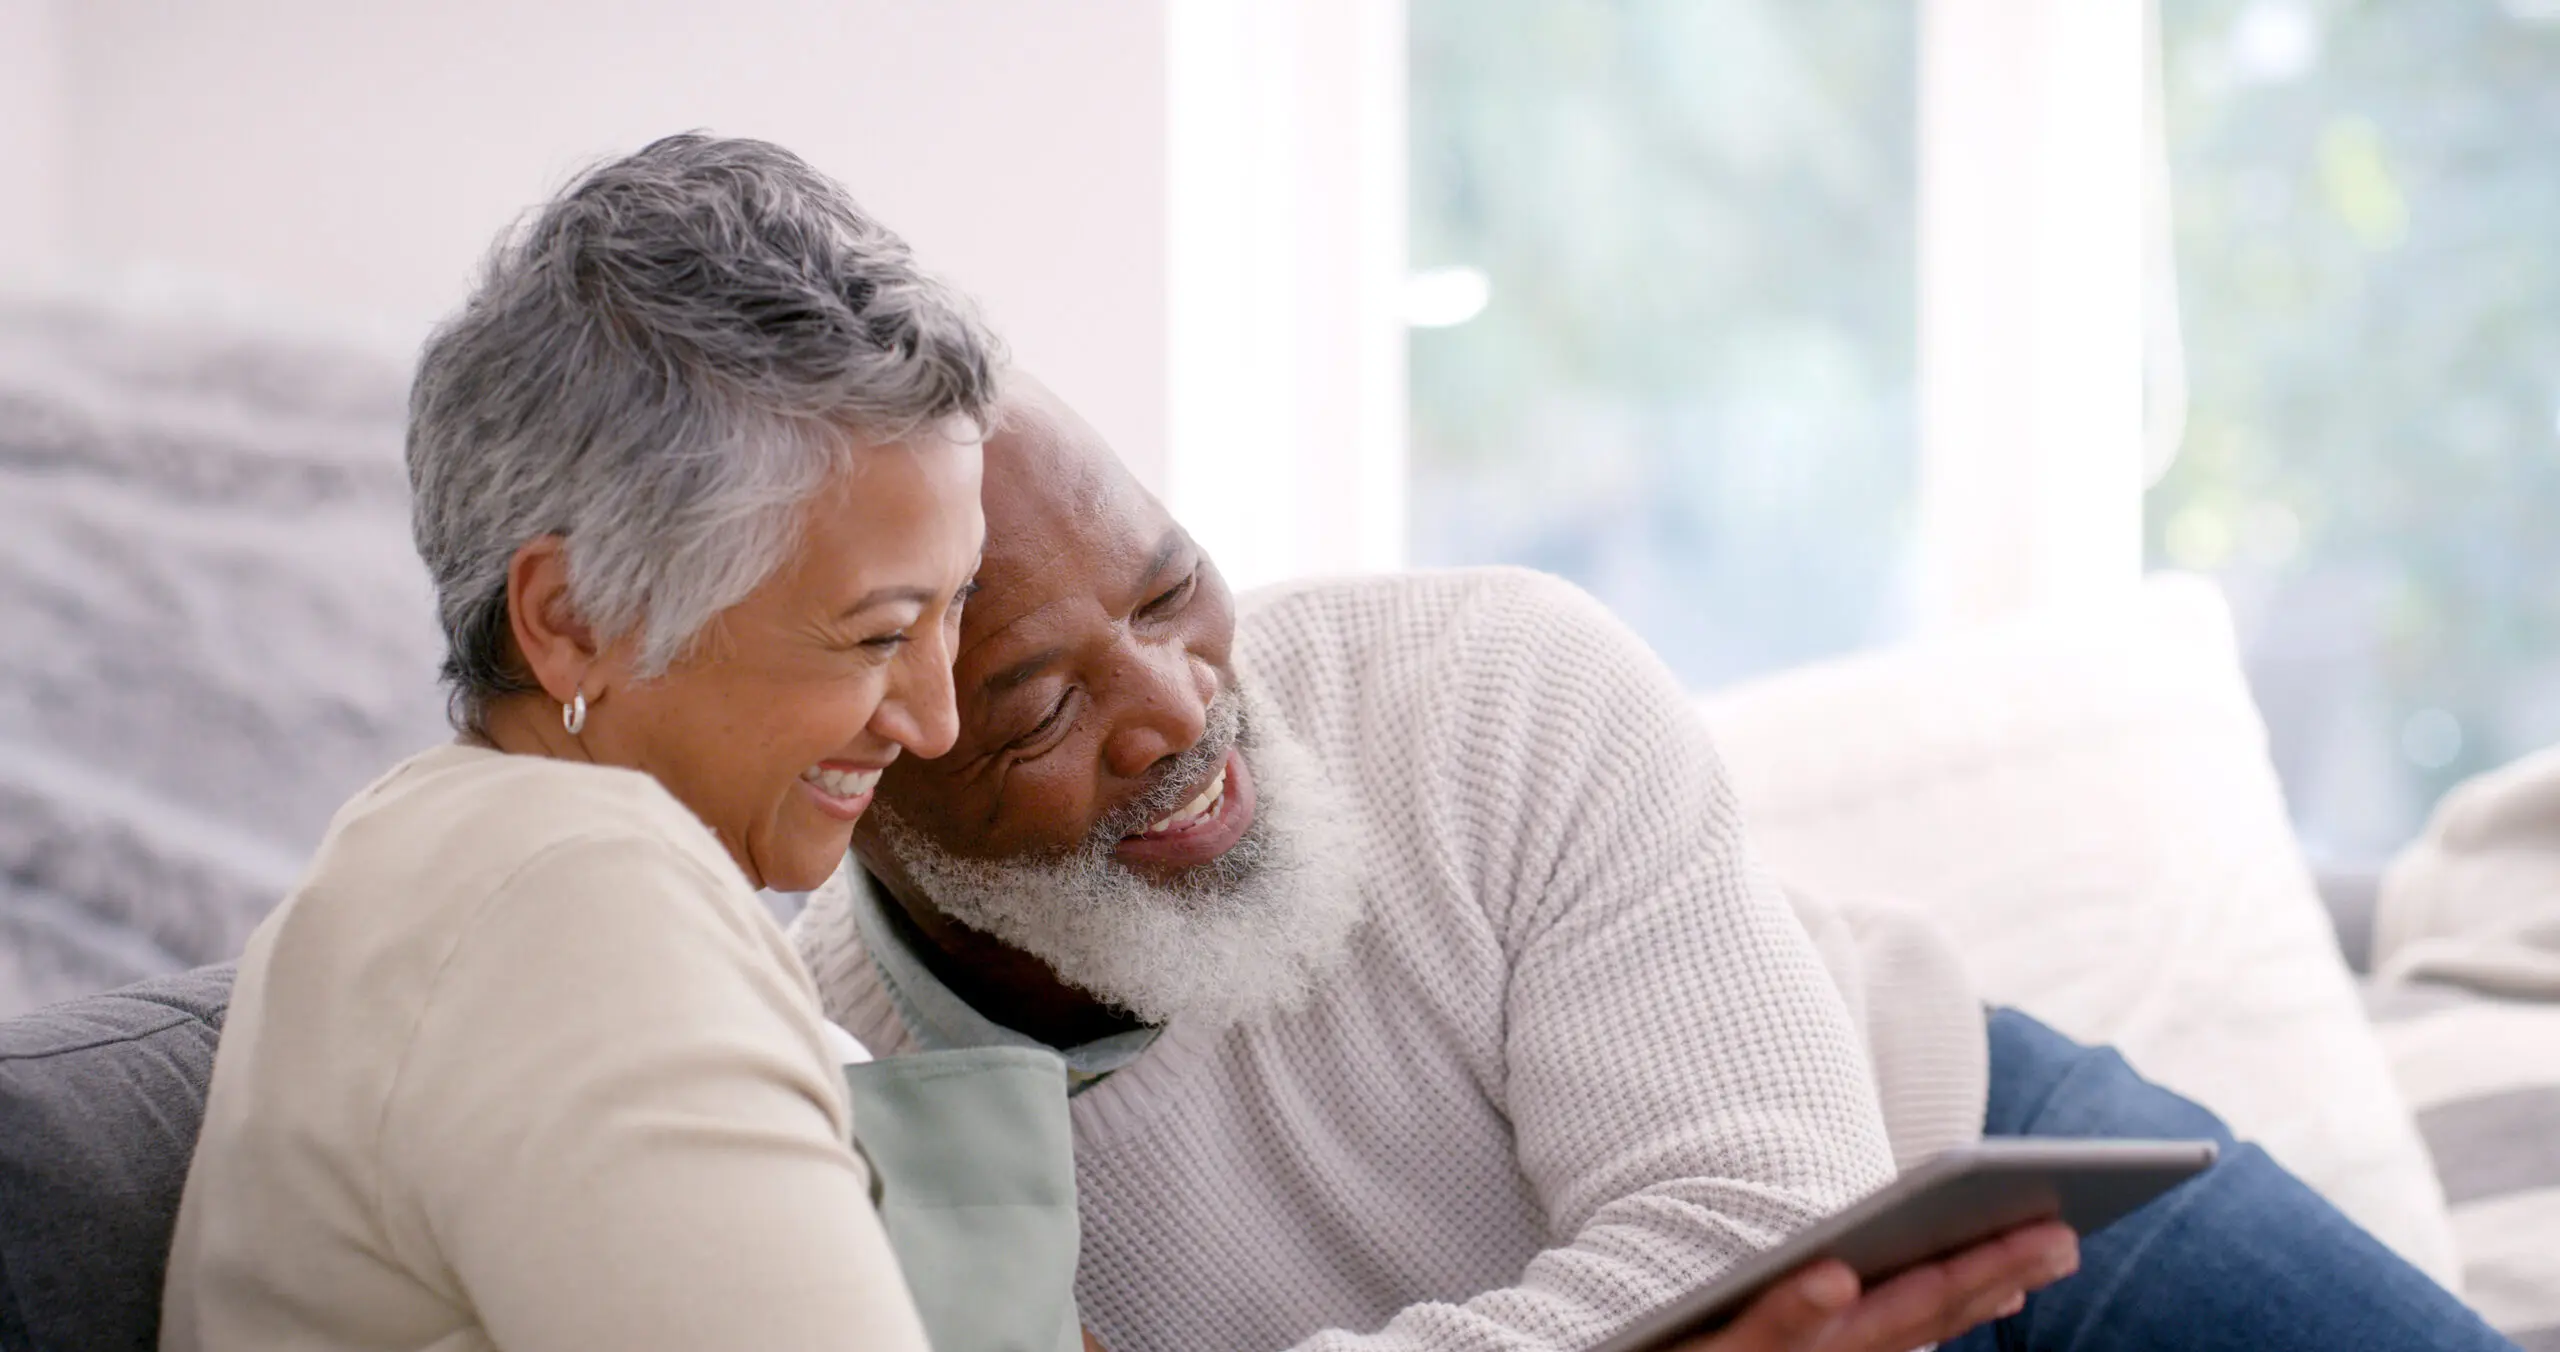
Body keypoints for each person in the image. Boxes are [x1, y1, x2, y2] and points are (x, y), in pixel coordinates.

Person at [791, 379, 2523, 1352]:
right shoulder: (820, 1069)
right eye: (1034, 706)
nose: (1180, 709)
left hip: (1959, 1204)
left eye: (1174, 593)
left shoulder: (1489, 680)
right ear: (867, 775)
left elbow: (1767, 1210)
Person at [163, 135, 1006, 1352]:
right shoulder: (579, 897)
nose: (937, 720)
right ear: (574, 619)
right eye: (876, 635)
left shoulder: (441, 853)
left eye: (956, 605)